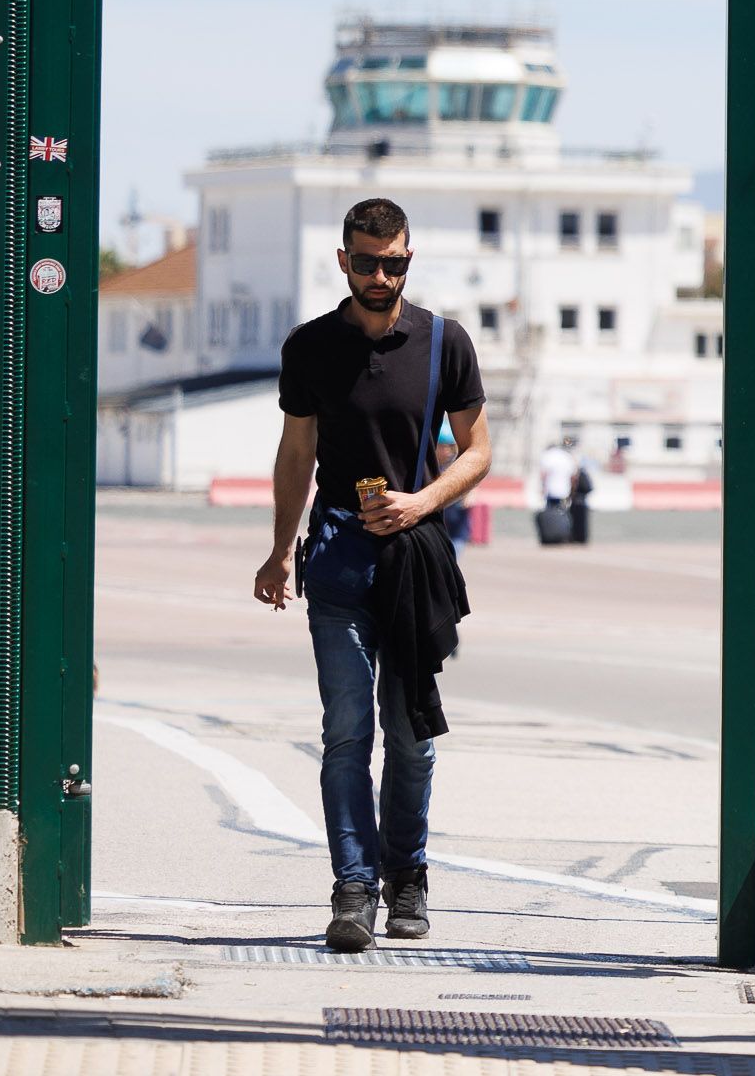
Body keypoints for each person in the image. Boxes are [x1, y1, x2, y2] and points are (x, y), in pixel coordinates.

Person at [253, 197, 490, 953]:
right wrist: (280, 547)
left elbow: (480, 450)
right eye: (366, 261)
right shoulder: (311, 347)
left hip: (414, 564)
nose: (380, 275)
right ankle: (353, 886)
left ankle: (407, 875)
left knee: (411, 735)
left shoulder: (445, 342)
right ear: (343, 260)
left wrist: (423, 499)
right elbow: (296, 455)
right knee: (346, 733)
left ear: (409, 261)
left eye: (393, 263)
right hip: (338, 559)